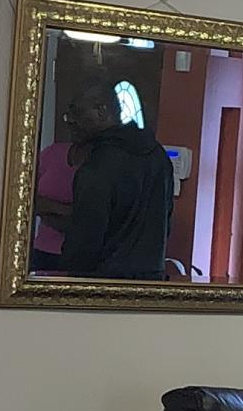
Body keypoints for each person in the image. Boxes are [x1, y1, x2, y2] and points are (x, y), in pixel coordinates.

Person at [55, 81, 176, 279]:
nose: (70, 121)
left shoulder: (98, 166)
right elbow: (166, 223)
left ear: (102, 111)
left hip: (102, 287)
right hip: (151, 283)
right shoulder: (158, 156)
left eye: (76, 112)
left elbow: (85, 241)